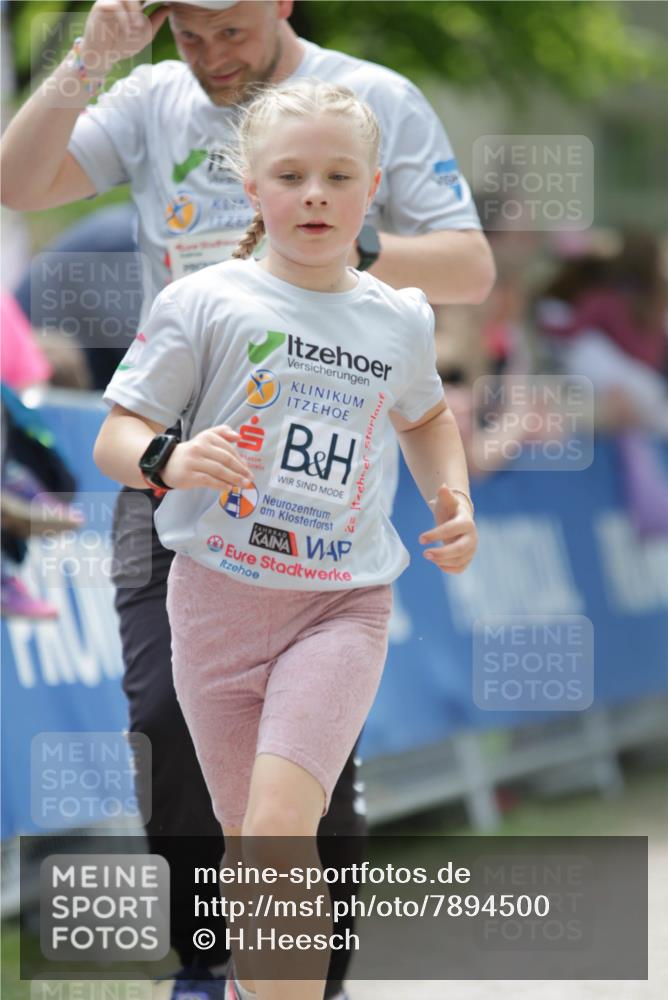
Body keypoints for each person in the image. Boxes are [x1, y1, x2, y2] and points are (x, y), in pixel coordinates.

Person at [1, 3, 493, 995]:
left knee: (301, 770)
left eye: (230, 31)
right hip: (181, 459)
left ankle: (308, 972)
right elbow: (14, 183)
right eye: (189, 34)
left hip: (322, 494)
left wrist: (322, 250)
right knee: (161, 712)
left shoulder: (374, 100)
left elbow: (469, 268)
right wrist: (91, 59)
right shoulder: (147, 100)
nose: (212, 57)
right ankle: (209, 962)